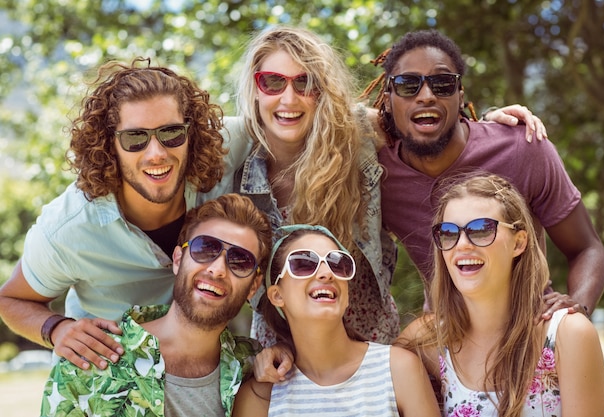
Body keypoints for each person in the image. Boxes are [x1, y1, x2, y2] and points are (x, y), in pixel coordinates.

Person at [228, 25, 545, 346]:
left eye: (304, 83)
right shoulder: (235, 174)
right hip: (280, 349)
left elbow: (428, 124)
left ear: (321, 91)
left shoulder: (357, 138)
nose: (288, 99)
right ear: (255, 89)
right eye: (272, 82)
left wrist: (487, 124)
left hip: (369, 346)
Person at [0, 58, 249, 371]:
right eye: (135, 138)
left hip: (203, 371)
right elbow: (10, 300)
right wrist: (57, 329)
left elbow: (283, 125)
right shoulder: (68, 228)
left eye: (171, 133)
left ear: (192, 133)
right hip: (110, 381)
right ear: (109, 145)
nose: (156, 152)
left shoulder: (225, 148)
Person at [368, 29, 604, 318]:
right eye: (408, 85)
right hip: (448, 341)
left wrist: (577, 308)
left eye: (443, 83)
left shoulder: (523, 148)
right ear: (388, 98)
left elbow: (586, 248)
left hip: (532, 330)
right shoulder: (377, 175)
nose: (426, 96)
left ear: (460, 96)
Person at [40, 193, 273, 417]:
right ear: (178, 260)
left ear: (253, 287)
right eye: (205, 248)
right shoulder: (88, 358)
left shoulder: (256, 368)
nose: (218, 269)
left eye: (240, 261)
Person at [396, 174, 604, 416]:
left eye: (481, 229)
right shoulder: (429, 340)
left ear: (519, 243)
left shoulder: (568, 335)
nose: (462, 244)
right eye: (448, 232)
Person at [232, 224, 440, 417]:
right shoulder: (259, 397)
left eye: (337, 264)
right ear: (277, 295)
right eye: (304, 264)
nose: (326, 273)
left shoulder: (399, 369)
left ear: (347, 293)